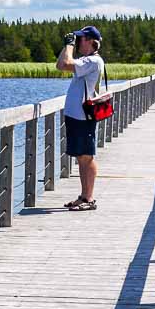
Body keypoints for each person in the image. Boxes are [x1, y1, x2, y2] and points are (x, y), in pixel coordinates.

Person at [55, 25, 105, 211]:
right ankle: (83, 196)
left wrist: (68, 46)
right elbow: (61, 65)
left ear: (92, 42)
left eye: (81, 39)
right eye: (76, 39)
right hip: (77, 116)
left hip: (83, 116)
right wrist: (68, 45)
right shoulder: (86, 61)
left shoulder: (92, 61)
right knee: (81, 156)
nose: (78, 42)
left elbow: (64, 64)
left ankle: (89, 198)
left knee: (87, 157)